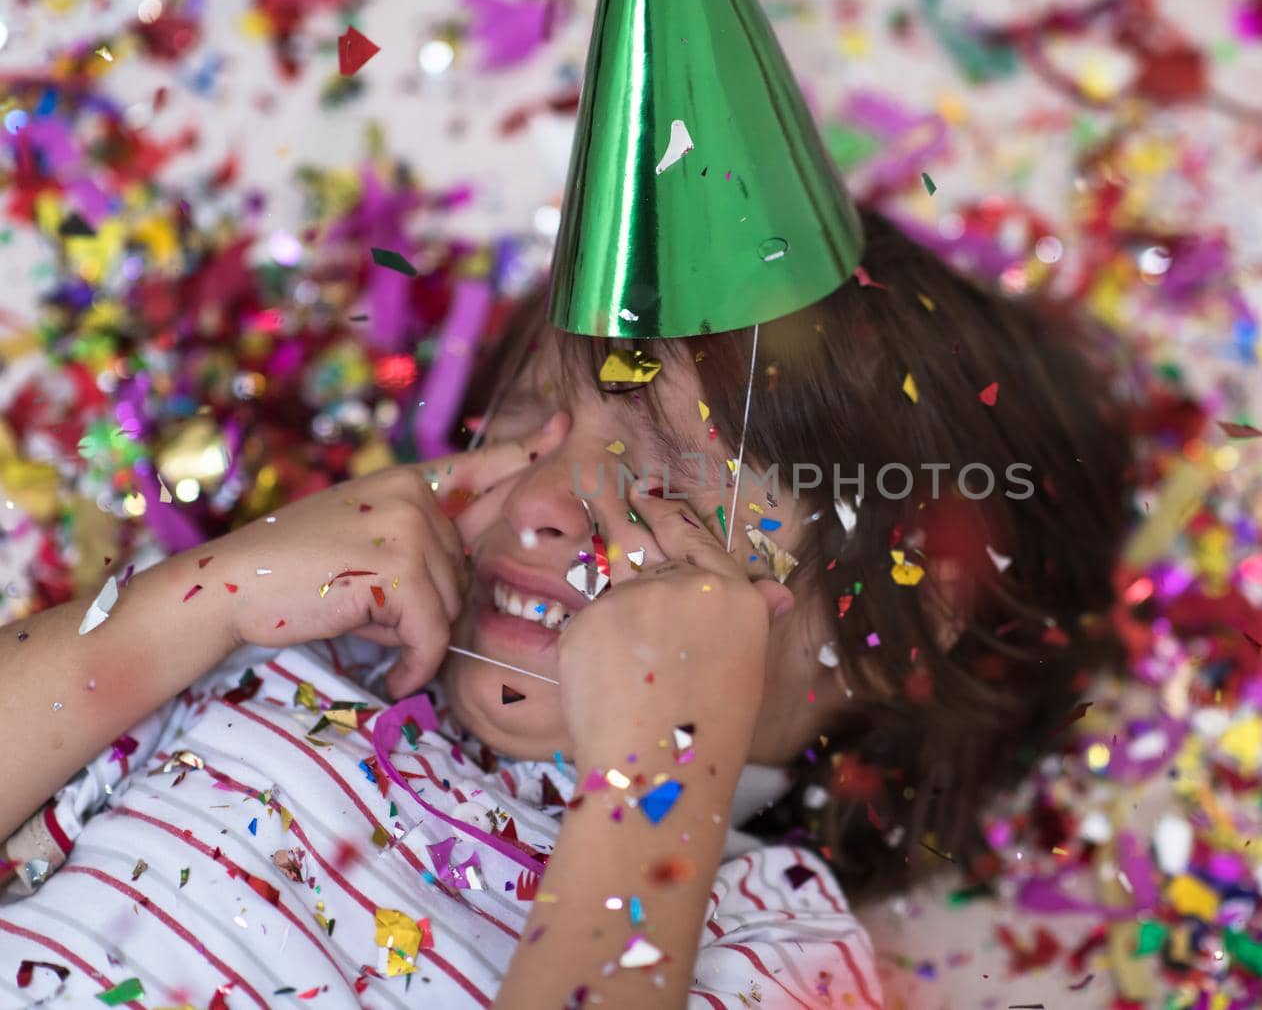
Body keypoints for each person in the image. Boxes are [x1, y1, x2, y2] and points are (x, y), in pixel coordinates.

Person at [0, 207, 1129, 1009]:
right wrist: (196, 602)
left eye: (674, 476)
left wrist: (657, 782)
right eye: (527, 425)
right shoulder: (276, 678)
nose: (540, 499)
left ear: (894, 629)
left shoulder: (775, 948)